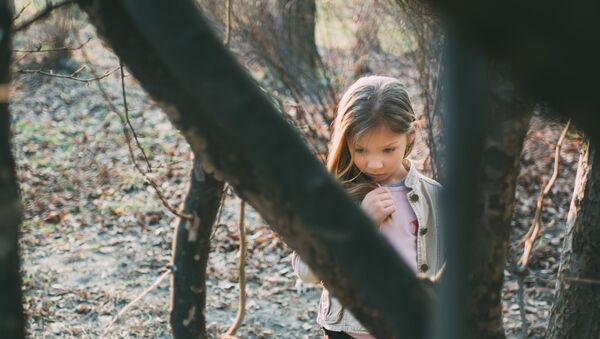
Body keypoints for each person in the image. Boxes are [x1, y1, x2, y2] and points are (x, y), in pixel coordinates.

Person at [291, 75, 445, 339]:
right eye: (361, 150)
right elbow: (306, 271)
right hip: (349, 332)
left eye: (387, 149)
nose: (374, 164)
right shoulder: (334, 195)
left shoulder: (434, 196)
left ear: (410, 135)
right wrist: (360, 224)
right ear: (345, 140)